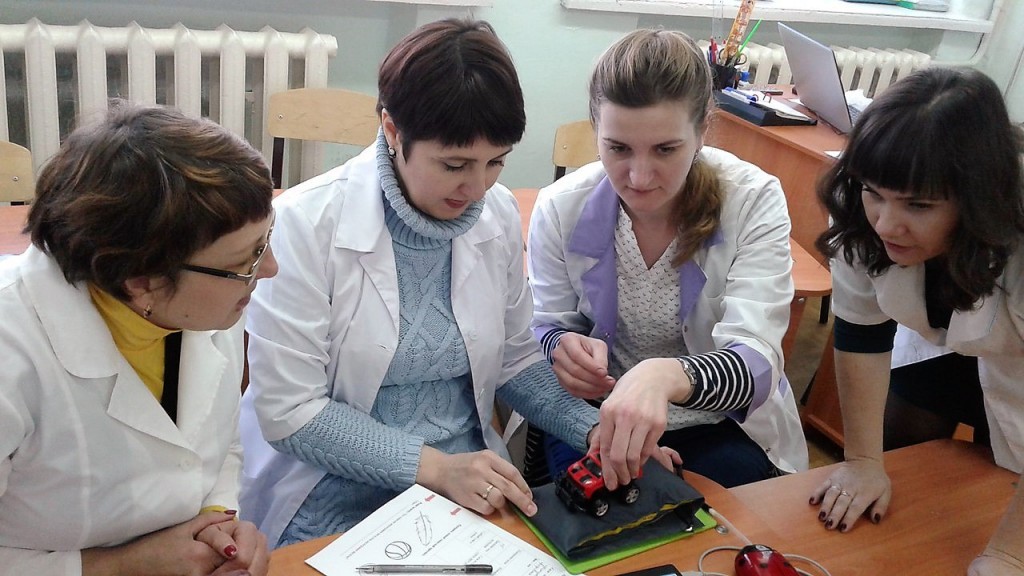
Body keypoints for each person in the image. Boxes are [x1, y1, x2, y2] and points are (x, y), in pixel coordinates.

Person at [238, 18, 670, 548]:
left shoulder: (497, 213)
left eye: (495, 162)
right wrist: (436, 469)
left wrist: (595, 431)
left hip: (471, 480)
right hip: (332, 488)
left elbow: (514, 361)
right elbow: (292, 413)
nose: (477, 187)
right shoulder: (305, 225)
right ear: (392, 130)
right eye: (454, 164)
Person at [527, 28, 808, 491]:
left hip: (716, 420)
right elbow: (546, 323)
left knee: (717, 512)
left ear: (701, 132)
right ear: (596, 131)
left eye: (665, 149)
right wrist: (561, 347)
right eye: (618, 148)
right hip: (598, 415)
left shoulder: (753, 200)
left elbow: (757, 359)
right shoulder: (560, 207)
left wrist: (667, 377)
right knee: (590, 508)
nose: (639, 177)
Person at [0, 102, 275, 575]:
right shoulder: (13, 353)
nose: (269, 269)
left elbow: (217, 447)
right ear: (141, 281)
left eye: (265, 242)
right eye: (244, 261)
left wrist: (217, 523)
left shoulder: (207, 306)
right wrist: (119, 565)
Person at [807, 67, 1024, 576]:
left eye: (918, 205)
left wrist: (1008, 555)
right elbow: (861, 330)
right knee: (908, 463)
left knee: (998, 486)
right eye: (875, 193)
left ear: (977, 199)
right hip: (945, 337)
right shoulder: (862, 201)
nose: (885, 223)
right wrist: (863, 462)